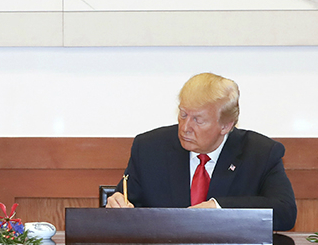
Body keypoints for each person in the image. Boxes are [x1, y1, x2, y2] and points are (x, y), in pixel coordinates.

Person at [106, 72, 297, 231]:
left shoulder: (260, 153)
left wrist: (218, 207)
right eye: (183, 114)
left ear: (226, 126)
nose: (185, 127)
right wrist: (117, 204)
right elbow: (125, 203)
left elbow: (285, 213)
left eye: (198, 120)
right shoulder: (150, 149)